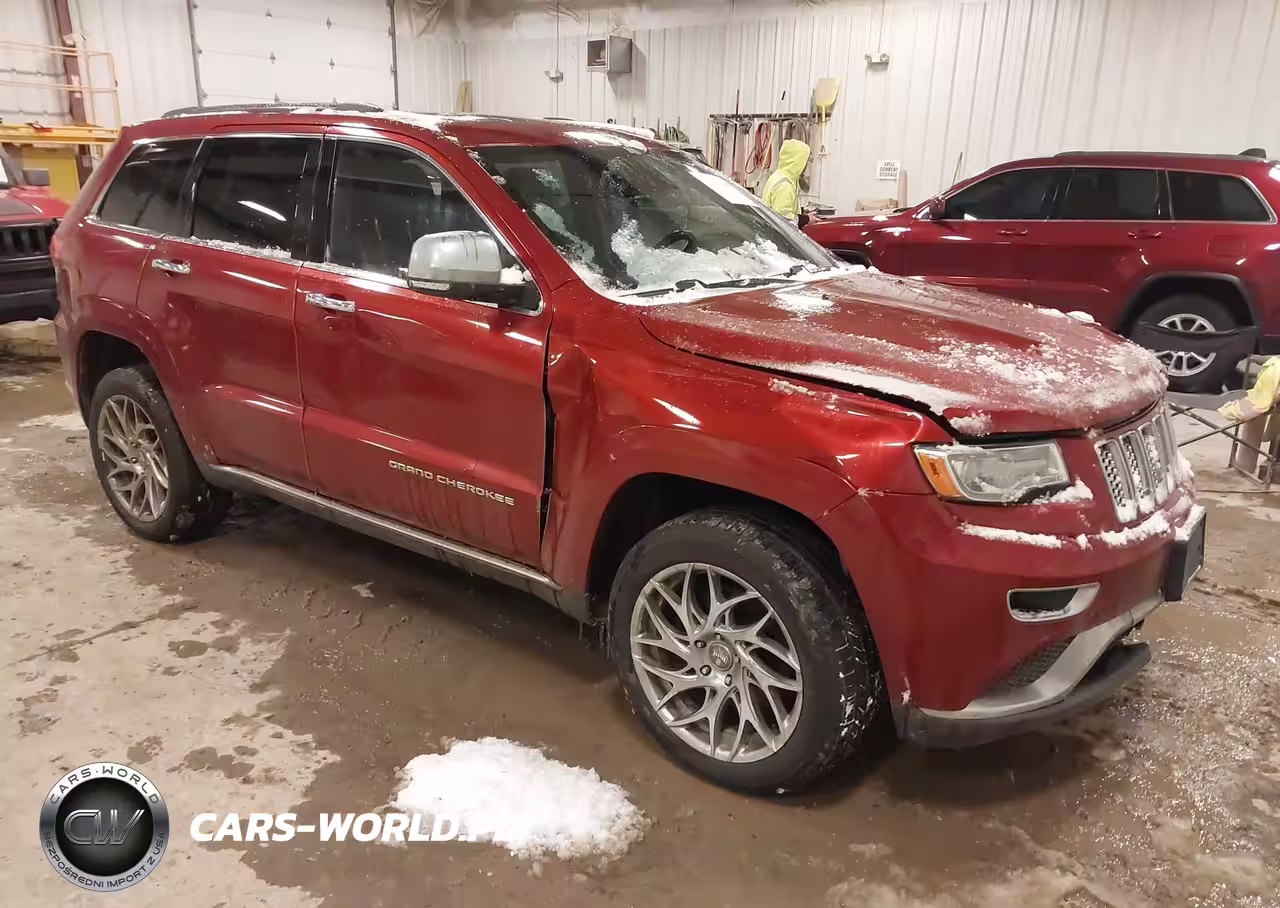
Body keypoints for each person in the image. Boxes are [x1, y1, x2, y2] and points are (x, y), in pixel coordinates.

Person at [761, 138, 814, 226]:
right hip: (778, 238)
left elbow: (778, 208)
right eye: (805, 161)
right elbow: (783, 220)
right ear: (798, 161)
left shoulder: (778, 176)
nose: (806, 165)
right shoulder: (785, 186)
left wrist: (801, 210)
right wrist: (807, 219)